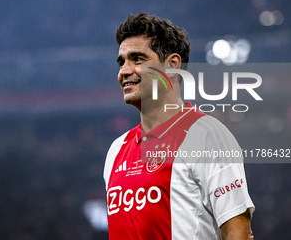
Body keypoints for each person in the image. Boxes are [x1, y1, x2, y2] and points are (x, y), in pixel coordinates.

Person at [103, 12, 254, 240]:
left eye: (137, 59)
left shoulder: (206, 135)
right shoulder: (116, 150)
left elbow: (238, 231)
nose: (124, 71)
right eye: (121, 61)